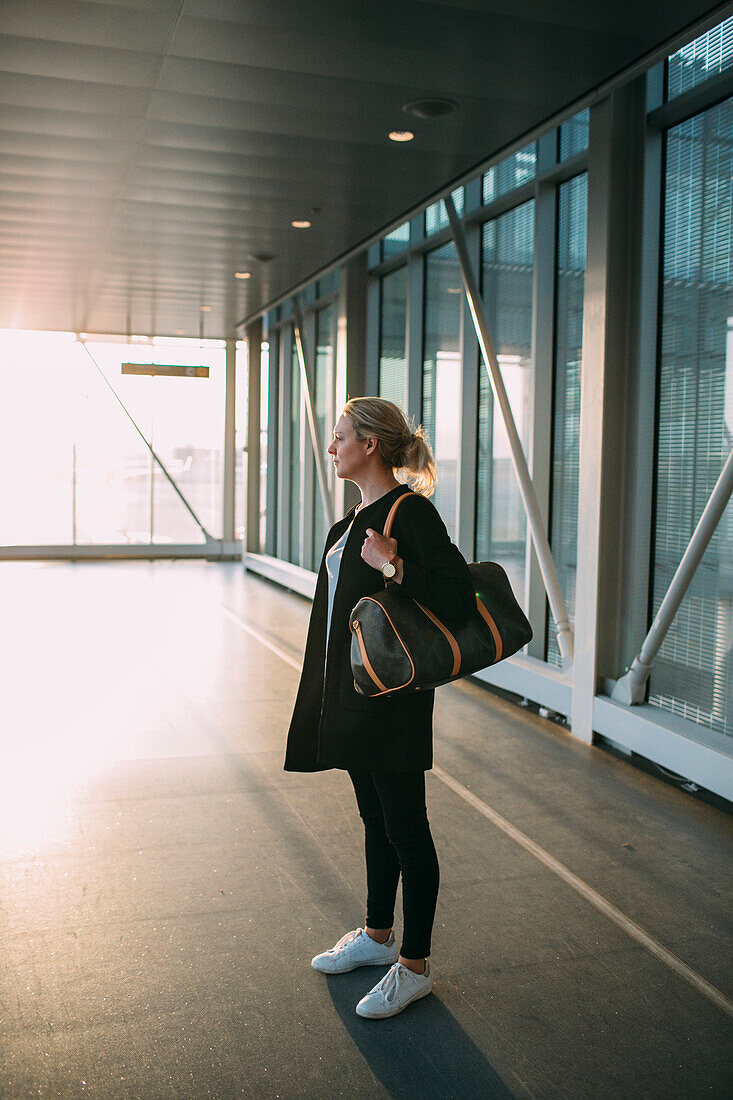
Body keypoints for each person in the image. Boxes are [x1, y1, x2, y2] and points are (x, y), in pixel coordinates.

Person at [284, 396, 475, 1019]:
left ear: (369, 444)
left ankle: (413, 967)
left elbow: (456, 596)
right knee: (376, 823)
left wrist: (393, 564)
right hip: (354, 698)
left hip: (393, 703)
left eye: (340, 437)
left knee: (407, 832)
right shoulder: (351, 522)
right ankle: (374, 936)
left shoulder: (410, 513)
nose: (332, 447)